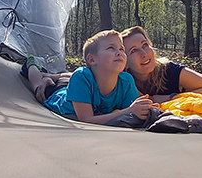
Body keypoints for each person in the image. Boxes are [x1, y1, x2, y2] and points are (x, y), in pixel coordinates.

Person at [26, 30, 157, 124]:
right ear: (92, 59)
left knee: (71, 77)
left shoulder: (126, 81)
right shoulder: (81, 77)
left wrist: (146, 108)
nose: (119, 53)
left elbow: (133, 110)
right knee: (39, 86)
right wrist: (130, 111)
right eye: (111, 48)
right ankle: (32, 65)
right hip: (58, 95)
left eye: (122, 49)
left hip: (78, 87)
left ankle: (50, 75)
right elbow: (86, 119)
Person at [121, 26, 202, 103]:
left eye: (145, 45)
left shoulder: (170, 71)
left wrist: (172, 97)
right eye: (134, 51)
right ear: (125, 62)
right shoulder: (121, 82)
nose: (144, 54)